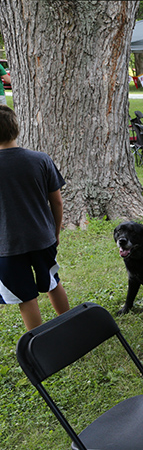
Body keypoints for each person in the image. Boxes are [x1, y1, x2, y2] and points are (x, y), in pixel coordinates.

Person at [0, 105, 70, 330]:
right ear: (16, 128)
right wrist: (55, 231)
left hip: (7, 245)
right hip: (42, 238)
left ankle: (39, 344)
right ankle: (71, 328)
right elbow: (57, 201)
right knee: (52, 282)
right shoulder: (40, 160)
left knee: (26, 297)